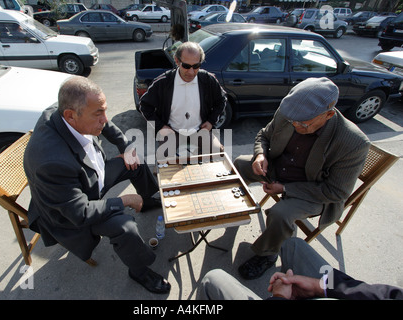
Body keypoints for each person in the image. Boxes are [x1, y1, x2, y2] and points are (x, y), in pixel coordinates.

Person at [24, 76, 170, 294]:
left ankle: (147, 200)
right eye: (98, 114)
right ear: (70, 117)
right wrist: (124, 200)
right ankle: (139, 271)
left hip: (90, 178)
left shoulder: (68, 107)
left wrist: (125, 145)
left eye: (104, 110)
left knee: (135, 163)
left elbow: (106, 124)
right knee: (125, 227)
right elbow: (79, 212)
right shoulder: (51, 162)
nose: (104, 119)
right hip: (71, 211)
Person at [234, 77, 370, 280]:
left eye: (303, 124)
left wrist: (286, 189)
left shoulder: (354, 142)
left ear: (329, 114)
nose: (296, 125)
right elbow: (264, 135)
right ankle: (234, 209)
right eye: (293, 122)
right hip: (277, 169)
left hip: (312, 191)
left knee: (281, 214)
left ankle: (267, 255)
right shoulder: (290, 112)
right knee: (240, 163)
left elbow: (336, 191)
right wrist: (261, 155)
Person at [199, 237, 403, 300]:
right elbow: (377, 293)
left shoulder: (351, 142)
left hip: (305, 195)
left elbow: (332, 192)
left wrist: (280, 298)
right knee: (293, 244)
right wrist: (320, 286)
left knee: (212, 279)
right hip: (341, 290)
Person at [139, 41, 227, 159]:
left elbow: (221, 100)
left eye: (196, 66)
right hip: (172, 132)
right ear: (177, 61)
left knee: (218, 153)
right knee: (164, 162)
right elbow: (144, 105)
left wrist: (211, 121)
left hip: (199, 130)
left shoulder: (208, 79)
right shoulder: (163, 82)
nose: (191, 72)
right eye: (186, 66)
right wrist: (161, 127)